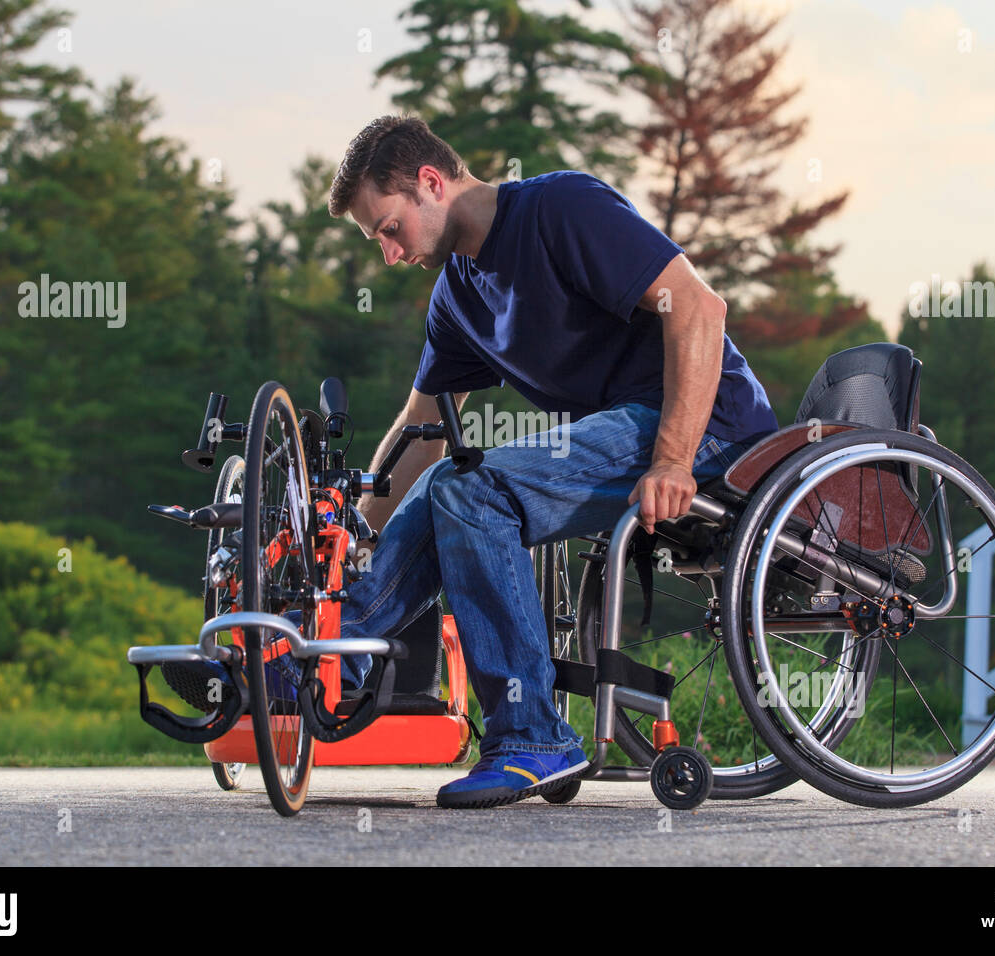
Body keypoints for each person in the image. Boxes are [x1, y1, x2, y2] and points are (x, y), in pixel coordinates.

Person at [318, 113, 778, 809]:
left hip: (706, 427)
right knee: (453, 479)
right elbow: (423, 430)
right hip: (622, 433)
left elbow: (699, 308)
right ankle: (328, 659)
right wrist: (344, 533)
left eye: (387, 228)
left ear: (431, 183)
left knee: (475, 493)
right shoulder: (458, 296)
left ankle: (533, 735)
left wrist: (674, 459)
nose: (389, 253)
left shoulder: (559, 208)